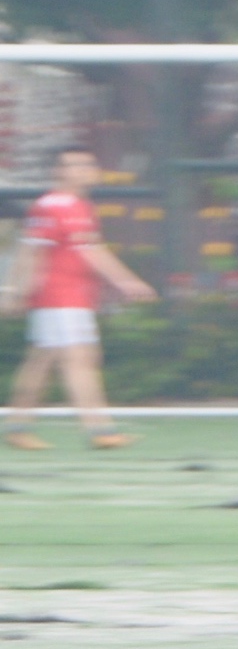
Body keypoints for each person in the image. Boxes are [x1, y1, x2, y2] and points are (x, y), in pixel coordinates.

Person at [5, 144, 153, 451]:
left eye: (89, 165)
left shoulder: (74, 205)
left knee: (42, 361)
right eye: (77, 165)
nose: (86, 171)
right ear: (58, 171)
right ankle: (100, 431)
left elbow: (76, 248)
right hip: (60, 297)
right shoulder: (57, 205)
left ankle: (18, 427)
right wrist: (126, 281)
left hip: (68, 297)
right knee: (80, 360)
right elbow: (37, 252)